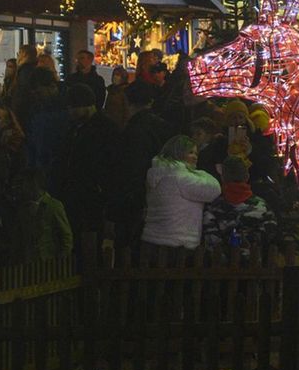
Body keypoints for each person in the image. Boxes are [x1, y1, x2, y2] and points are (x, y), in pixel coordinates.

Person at [140, 135, 222, 264]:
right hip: (177, 244)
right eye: (190, 152)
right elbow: (214, 190)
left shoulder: (157, 172)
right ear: (178, 152)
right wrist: (202, 173)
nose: (195, 156)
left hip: (152, 240)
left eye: (196, 153)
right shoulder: (181, 177)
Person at [110, 81, 171, 248]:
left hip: (135, 201)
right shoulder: (163, 127)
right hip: (160, 196)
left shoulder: (132, 131)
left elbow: (128, 171)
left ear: (128, 102)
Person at [56, 83, 118, 241]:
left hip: (92, 197)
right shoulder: (77, 127)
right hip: (78, 194)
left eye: (72, 107)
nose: (69, 112)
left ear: (85, 106)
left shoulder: (104, 130)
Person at [202, 156, 280, 259]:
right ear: (247, 176)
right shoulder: (262, 206)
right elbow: (270, 232)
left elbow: (210, 239)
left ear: (223, 177)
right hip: (255, 266)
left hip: (221, 269)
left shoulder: (213, 207)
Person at [4, 168, 73, 264]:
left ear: (33, 183)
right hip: (28, 263)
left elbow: (66, 236)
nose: (18, 187)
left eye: (22, 183)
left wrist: (60, 260)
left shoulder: (53, 205)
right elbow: (18, 240)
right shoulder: (22, 209)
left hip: (49, 263)